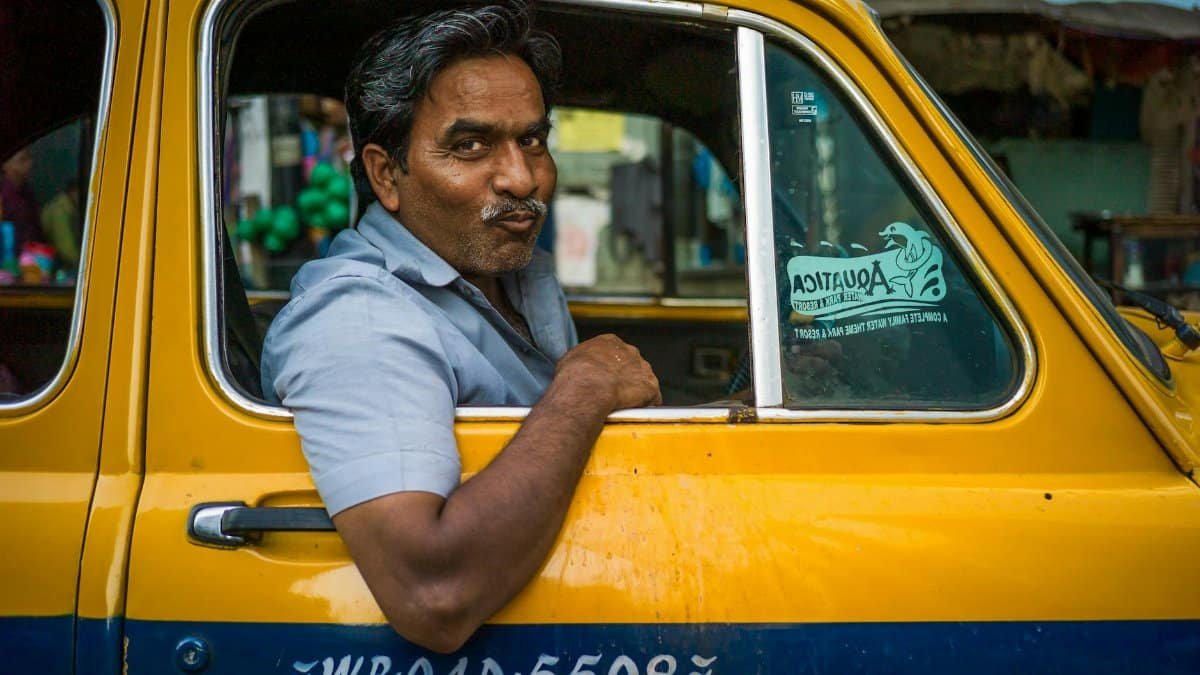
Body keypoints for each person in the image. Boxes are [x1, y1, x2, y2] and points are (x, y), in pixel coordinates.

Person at [260, 1, 661, 654]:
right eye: (469, 146)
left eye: (532, 139)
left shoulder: (509, 271)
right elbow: (432, 595)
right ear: (387, 174)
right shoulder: (361, 319)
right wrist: (584, 387)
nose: (523, 177)